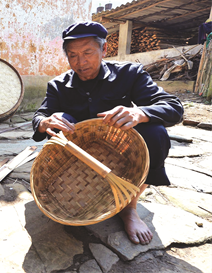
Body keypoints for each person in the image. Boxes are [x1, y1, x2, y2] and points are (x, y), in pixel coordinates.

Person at [32, 21, 184, 245]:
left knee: (154, 131)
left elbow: (174, 107)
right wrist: (44, 122)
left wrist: (139, 113)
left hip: (119, 150)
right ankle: (84, 190)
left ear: (104, 50)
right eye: (72, 55)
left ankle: (129, 208)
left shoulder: (129, 73)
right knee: (62, 118)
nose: (80, 62)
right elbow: (40, 116)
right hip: (79, 157)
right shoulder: (58, 85)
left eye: (87, 53)